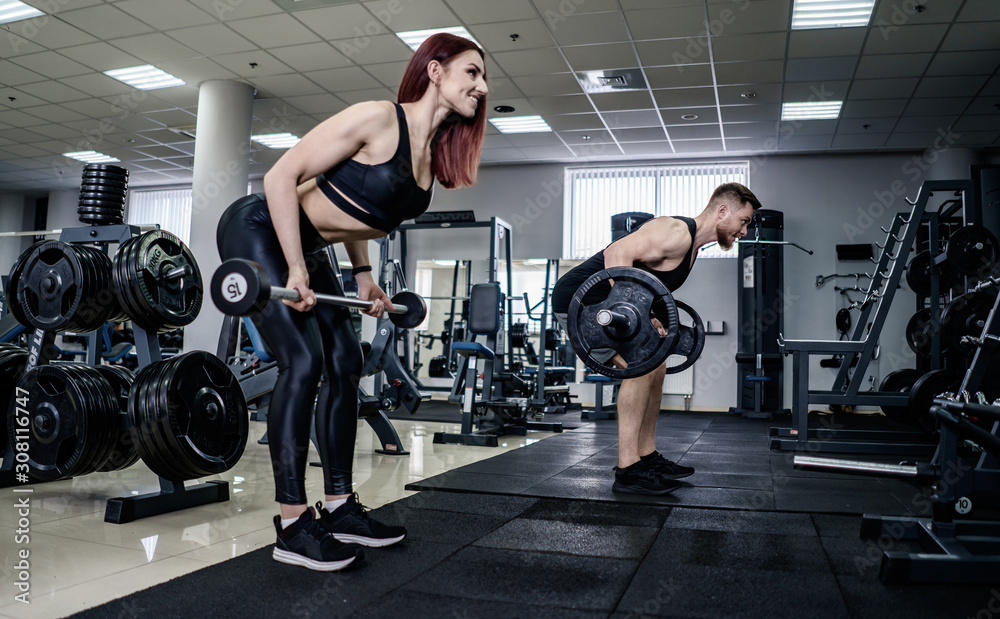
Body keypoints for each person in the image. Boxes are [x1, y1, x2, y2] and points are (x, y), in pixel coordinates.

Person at [215, 33, 488, 571]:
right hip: (258, 229)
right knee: (305, 360)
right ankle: (292, 525)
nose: (481, 86)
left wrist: (363, 276)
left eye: (483, 77)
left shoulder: (428, 160)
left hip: (308, 246)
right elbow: (280, 176)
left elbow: (350, 203)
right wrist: (295, 267)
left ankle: (339, 508)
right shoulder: (377, 119)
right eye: (472, 72)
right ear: (435, 71)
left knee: (347, 362)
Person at [551, 183, 762, 496]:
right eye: (743, 221)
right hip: (581, 303)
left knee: (656, 364)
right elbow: (616, 253)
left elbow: (644, 287)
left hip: (610, 304)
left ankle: (646, 457)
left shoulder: (692, 250)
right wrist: (634, 310)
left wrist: (650, 317)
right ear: (722, 211)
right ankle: (628, 470)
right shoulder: (676, 232)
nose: (743, 231)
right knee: (641, 366)